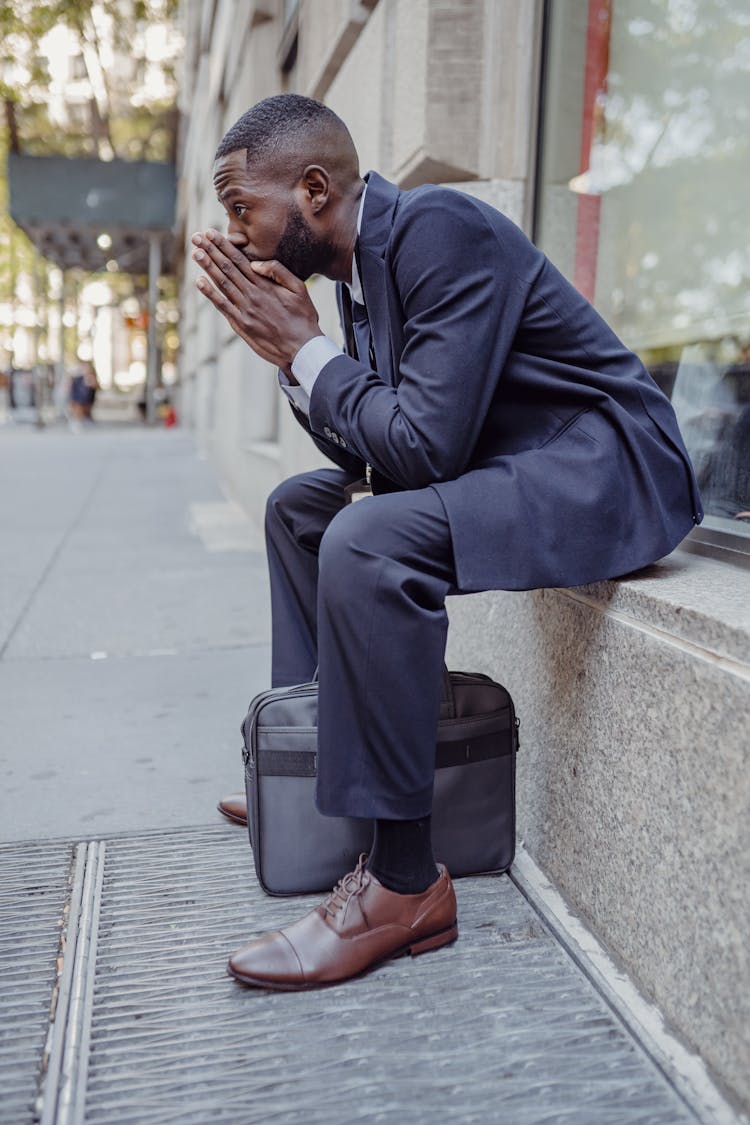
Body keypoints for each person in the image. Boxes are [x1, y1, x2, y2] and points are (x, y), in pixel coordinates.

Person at [192, 94, 702, 991]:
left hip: (607, 468)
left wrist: (309, 350)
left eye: (244, 208)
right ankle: (315, 761)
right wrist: (294, 356)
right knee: (301, 511)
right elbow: (373, 440)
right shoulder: (357, 277)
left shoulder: (436, 230)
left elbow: (424, 446)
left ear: (312, 190)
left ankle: (400, 882)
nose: (236, 237)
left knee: (366, 539)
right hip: (508, 461)